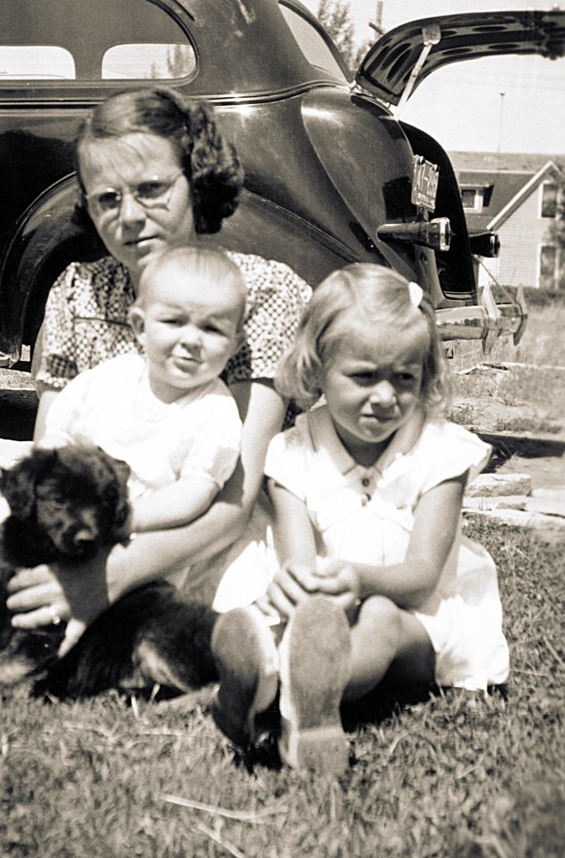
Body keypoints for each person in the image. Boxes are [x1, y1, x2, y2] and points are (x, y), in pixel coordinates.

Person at [0, 86, 311, 678]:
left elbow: (231, 501)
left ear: (197, 179)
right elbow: (47, 458)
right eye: (106, 198)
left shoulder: (259, 291)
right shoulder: (78, 290)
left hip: (185, 539)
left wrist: (106, 578)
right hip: (71, 525)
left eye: (152, 189)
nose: (129, 216)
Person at [211, 263, 509, 774]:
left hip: (419, 622)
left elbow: (421, 580)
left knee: (380, 618)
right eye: (364, 376)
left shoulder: (440, 453)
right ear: (318, 367)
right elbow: (298, 562)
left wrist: (357, 579)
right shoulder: (292, 454)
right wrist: (300, 587)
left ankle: (312, 695)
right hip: (324, 619)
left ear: (425, 376)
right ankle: (257, 677)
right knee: (287, 621)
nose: (386, 396)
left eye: (404, 378)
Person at [39, 244, 246, 534]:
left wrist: (127, 520)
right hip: (75, 515)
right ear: (140, 326)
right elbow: (57, 439)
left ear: (233, 345)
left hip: (150, 532)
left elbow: (195, 491)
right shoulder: (108, 380)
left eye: (211, 329)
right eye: (174, 322)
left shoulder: (215, 410)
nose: (191, 340)